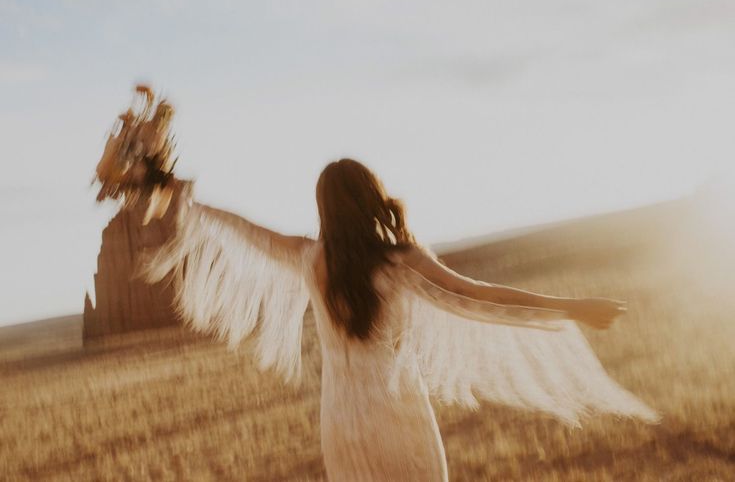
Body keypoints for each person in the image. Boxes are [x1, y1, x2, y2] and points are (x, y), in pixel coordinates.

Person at [137, 158, 659, 481]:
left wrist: (168, 185)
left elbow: (236, 226)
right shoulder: (401, 261)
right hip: (398, 416)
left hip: (341, 422)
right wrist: (570, 308)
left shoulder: (308, 257)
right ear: (369, 198)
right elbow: (477, 295)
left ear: (324, 208)